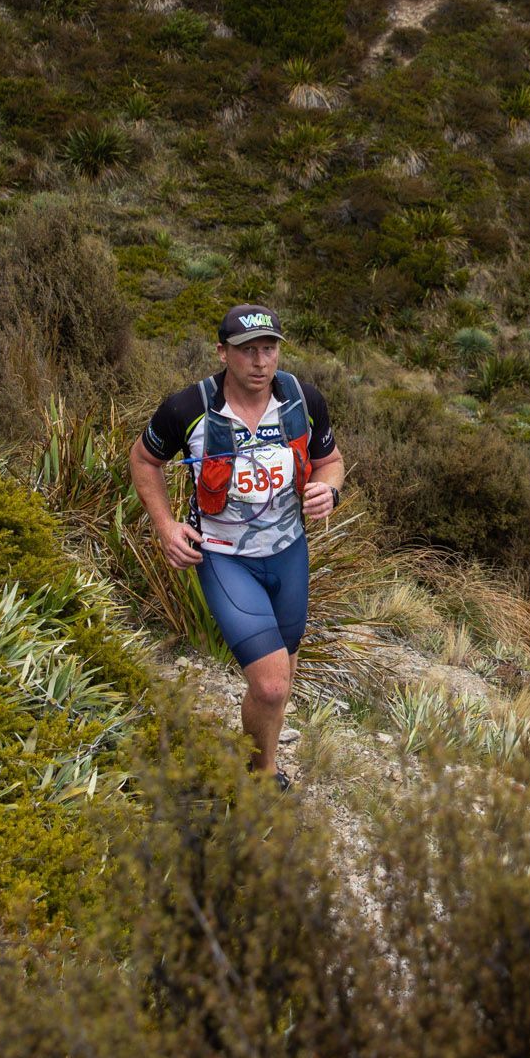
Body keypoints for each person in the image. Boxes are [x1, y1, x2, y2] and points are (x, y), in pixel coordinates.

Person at [128, 304, 343, 785]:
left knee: (282, 675)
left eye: (269, 349)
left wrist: (329, 490)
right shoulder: (188, 408)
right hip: (224, 557)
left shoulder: (302, 400)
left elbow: (331, 460)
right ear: (223, 352)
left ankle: (262, 763)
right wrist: (166, 527)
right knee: (269, 686)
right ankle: (261, 776)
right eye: (247, 351)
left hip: (289, 552)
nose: (261, 362)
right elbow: (144, 460)